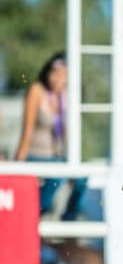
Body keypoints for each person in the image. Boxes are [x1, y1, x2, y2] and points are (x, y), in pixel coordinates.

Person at [14, 52, 86, 218]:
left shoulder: (67, 95)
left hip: (57, 156)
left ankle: (70, 222)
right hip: (34, 155)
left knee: (82, 177)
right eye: (55, 73)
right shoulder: (37, 91)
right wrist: (18, 166)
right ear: (47, 72)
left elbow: (69, 135)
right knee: (57, 176)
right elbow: (27, 131)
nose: (58, 78)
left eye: (63, 74)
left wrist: (73, 161)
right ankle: (35, 215)